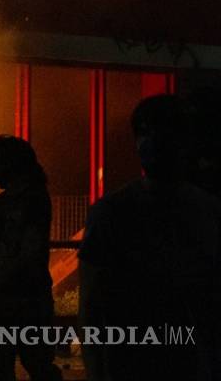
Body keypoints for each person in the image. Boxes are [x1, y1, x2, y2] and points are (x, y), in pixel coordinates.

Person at [79, 94, 221, 381]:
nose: (151, 142)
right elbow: (92, 305)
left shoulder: (111, 212)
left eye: (164, 131)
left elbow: (90, 305)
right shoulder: (110, 213)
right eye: (144, 131)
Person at [0, 136, 61, 381]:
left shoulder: (31, 201)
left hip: (25, 299)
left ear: (10, 164)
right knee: (25, 363)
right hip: (16, 299)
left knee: (32, 364)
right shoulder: (5, 204)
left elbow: (28, 253)